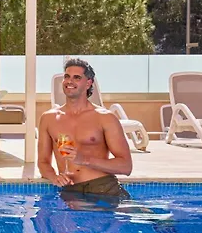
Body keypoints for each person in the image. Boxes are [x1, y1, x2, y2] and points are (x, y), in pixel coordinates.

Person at [38, 58, 133, 199]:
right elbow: (43, 162)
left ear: (88, 83)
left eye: (77, 78)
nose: (69, 81)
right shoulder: (49, 118)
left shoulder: (105, 118)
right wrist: (54, 177)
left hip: (103, 188)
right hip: (70, 191)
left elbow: (126, 166)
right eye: (67, 76)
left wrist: (84, 159)